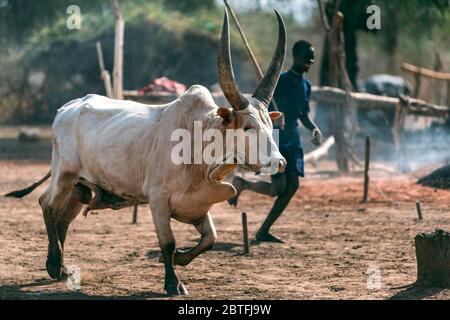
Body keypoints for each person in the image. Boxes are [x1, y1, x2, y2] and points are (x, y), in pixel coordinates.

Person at [228, 40, 322, 243]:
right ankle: (242, 184)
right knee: (277, 189)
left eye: (312, 58)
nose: (310, 61)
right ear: (295, 56)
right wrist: (273, 116)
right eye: (307, 57)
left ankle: (264, 231)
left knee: (292, 187)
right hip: (275, 139)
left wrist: (314, 128)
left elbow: (304, 115)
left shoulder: (306, 86)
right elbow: (257, 105)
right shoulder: (277, 81)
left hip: (293, 140)